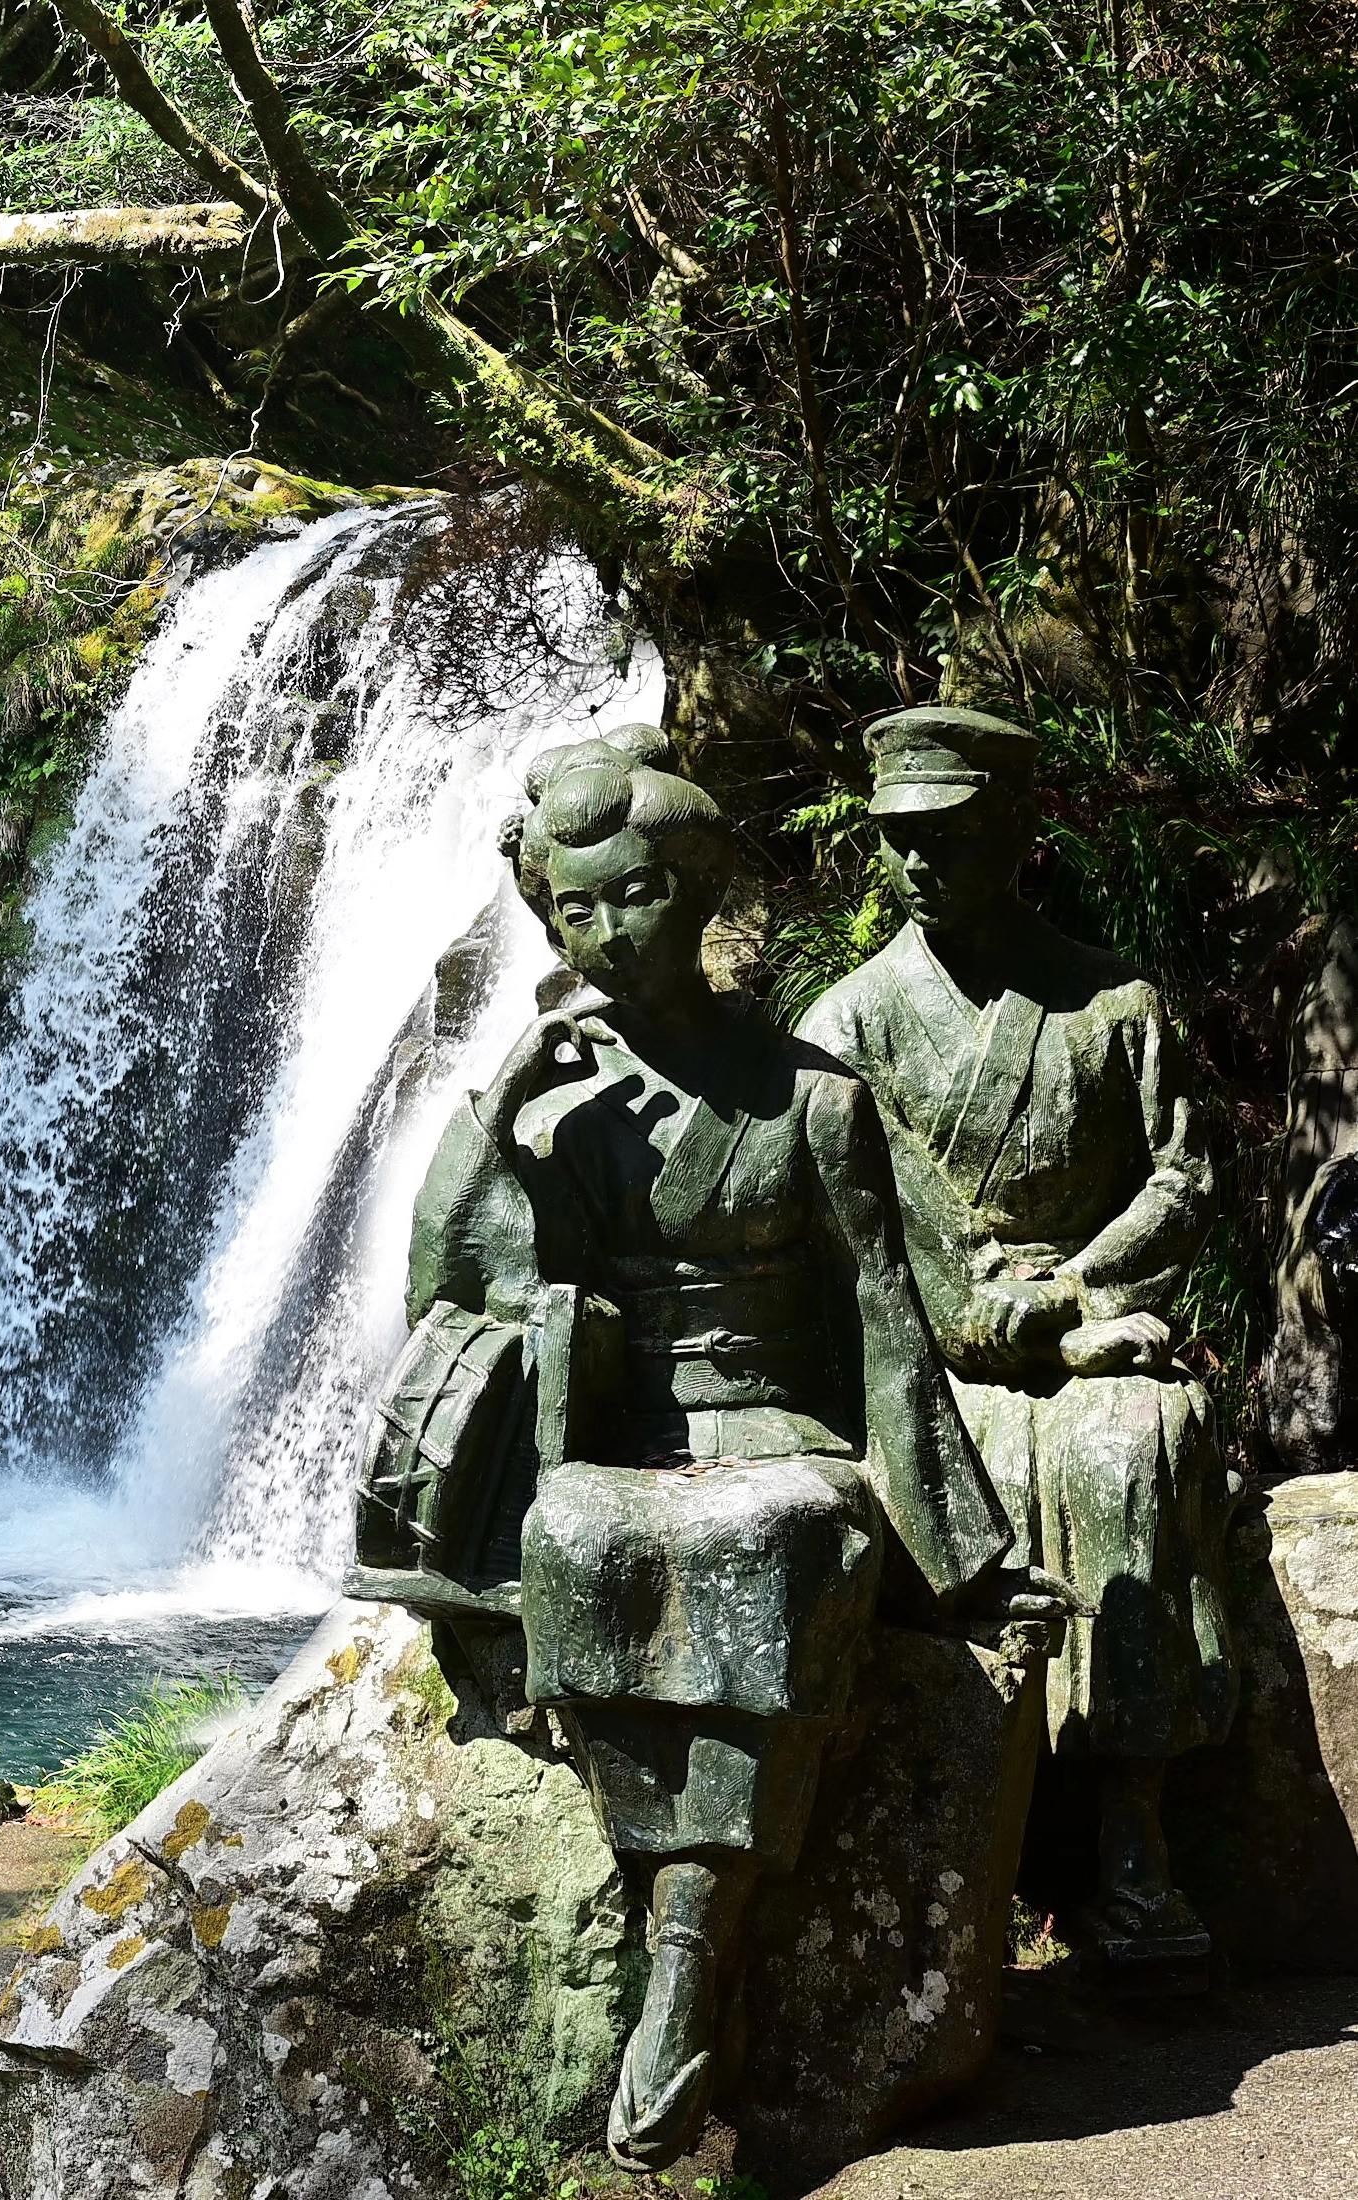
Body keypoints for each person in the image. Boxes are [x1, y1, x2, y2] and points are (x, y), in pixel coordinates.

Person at [380, 727, 1015, 2167]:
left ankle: (689, 1943)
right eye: (573, 909)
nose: (603, 934)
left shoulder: (809, 1094)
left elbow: (892, 1331)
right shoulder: (565, 1096)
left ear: (702, 889)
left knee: (763, 1540)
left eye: (635, 898)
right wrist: (497, 1114)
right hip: (625, 1430)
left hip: (781, 1432)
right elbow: (445, 1287)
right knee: (584, 1534)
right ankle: (673, 1904)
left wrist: (962, 1557)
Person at [802, 706, 1237, 1976]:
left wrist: (1087, 1290)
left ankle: (1130, 1833)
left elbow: (1184, 1175)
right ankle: (963, 1845)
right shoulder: (849, 1025)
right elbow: (861, 1231)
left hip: (1106, 1332)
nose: (921, 865)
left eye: (951, 835)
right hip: (930, 1359)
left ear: (1015, 832)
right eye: (900, 841)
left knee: (1133, 1449)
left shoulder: (1114, 1001)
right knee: (927, 1476)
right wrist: (1017, 1319)